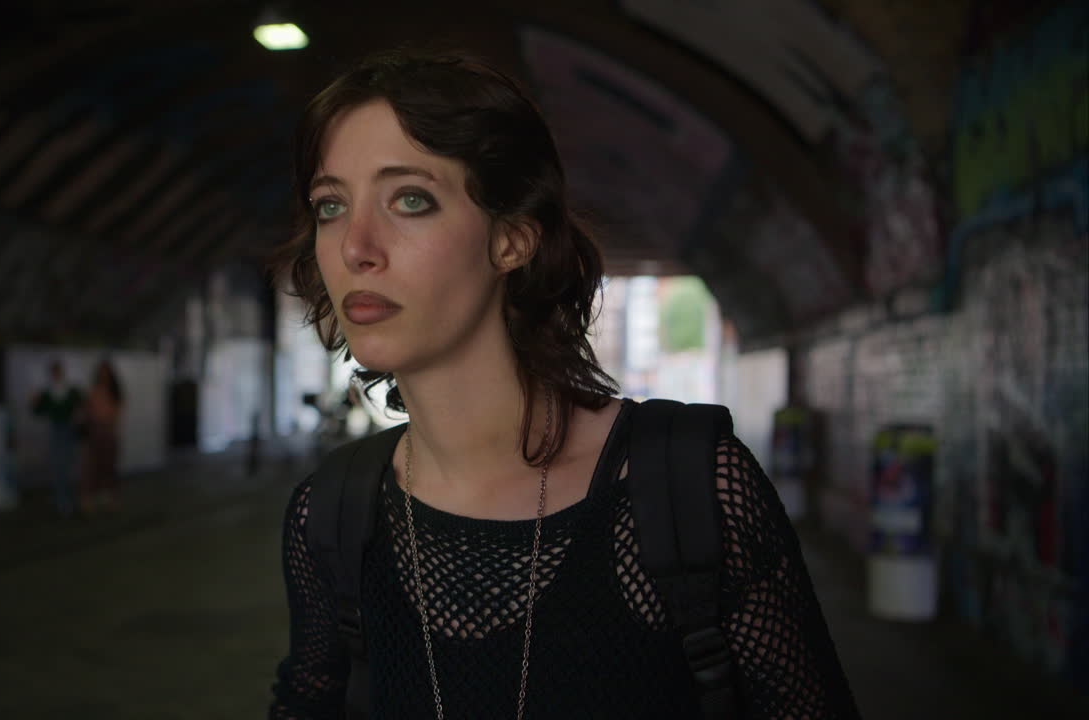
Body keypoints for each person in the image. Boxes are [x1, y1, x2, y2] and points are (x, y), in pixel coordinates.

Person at [268, 50, 861, 718]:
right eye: (330, 205)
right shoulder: (332, 518)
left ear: (512, 240)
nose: (355, 246)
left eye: (411, 199)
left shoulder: (688, 490)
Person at [30, 359, 83, 516]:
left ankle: (67, 499)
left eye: (58, 371)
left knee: (67, 465)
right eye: (54, 372)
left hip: (68, 430)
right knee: (59, 466)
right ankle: (63, 501)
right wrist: (34, 402)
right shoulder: (49, 392)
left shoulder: (70, 390)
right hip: (57, 430)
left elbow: (81, 407)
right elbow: (38, 411)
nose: (56, 374)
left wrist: (78, 415)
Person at [79, 358, 124, 513]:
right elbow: (87, 411)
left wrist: (110, 426)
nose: (104, 375)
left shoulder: (115, 392)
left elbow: (117, 413)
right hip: (95, 432)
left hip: (108, 432)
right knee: (92, 468)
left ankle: (111, 499)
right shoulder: (94, 390)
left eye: (106, 372)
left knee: (109, 467)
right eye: (102, 372)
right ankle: (89, 500)